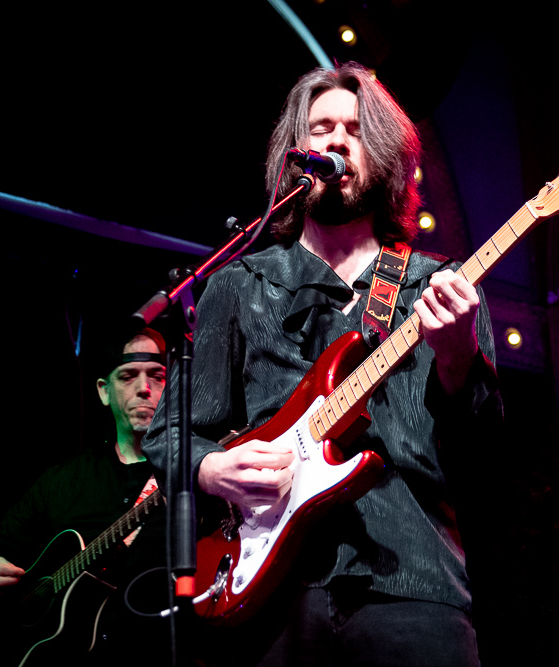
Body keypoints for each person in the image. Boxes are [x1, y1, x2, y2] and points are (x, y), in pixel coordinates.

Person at [144, 62, 502, 666]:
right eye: (320, 128)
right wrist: (210, 469)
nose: (335, 140)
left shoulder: (439, 287)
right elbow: (172, 432)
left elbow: (486, 453)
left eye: (355, 130)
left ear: (384, 154)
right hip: (269, 594)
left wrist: (458, 354)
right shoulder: (240, 284)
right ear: (296, 153)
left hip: (411, 585)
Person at [0, 327, 171, 662]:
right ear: (104, 391)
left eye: (157, 375)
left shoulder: (190, 475)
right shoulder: (64, 480)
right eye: (128, 376)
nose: (144, 388)